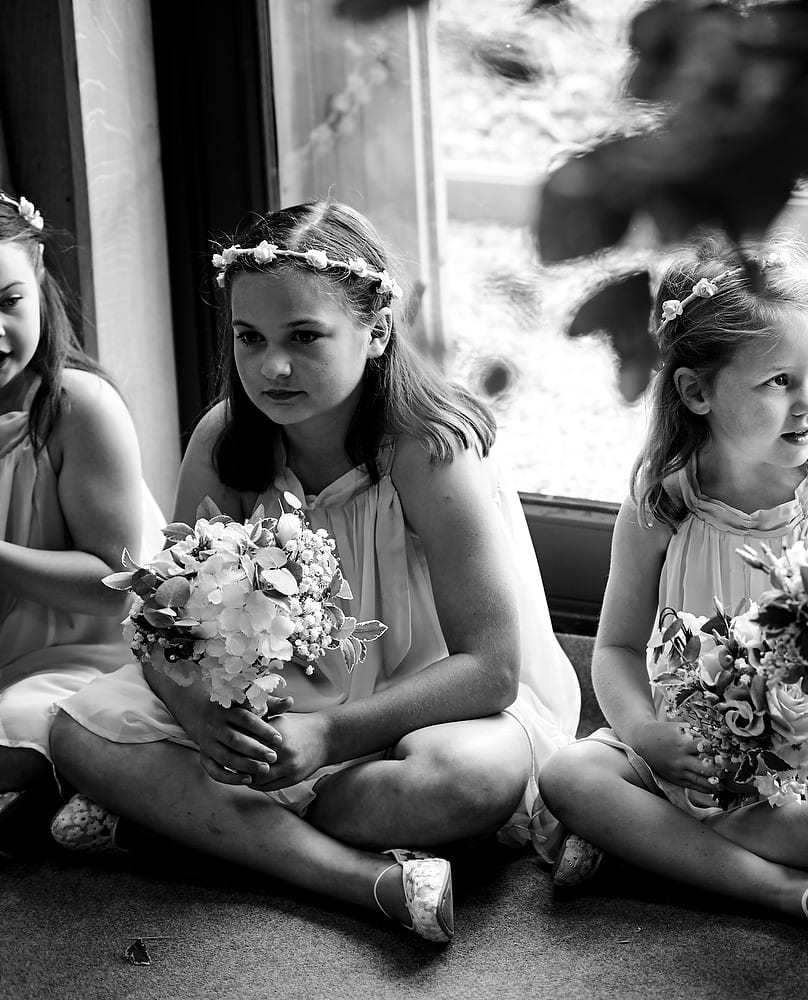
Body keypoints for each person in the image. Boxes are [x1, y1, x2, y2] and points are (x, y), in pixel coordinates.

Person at [48, 200, 581, 943]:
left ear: (377, 330)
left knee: (470, 783)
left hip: (417, 708)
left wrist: (326, 737)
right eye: (249, 337)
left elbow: (490, 669)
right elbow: (165, 624)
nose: (272, 366)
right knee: (75, 733)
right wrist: (203, 722)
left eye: (304, 336)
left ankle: (189, 821)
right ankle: (365, 882)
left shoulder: (428, 450)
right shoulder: (227, 439)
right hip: (275, 710)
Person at [537, 232, 808, 944]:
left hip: (794, 764)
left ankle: (653, 848)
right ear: (697, 392)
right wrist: (648, 737)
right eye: (778, 381)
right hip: (679, 749)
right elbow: (618, 648)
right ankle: (788, 895)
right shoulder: (660, 507)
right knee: (570, 776)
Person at [0, 190, 160, 854]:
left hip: (88, 661)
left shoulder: (75, 409)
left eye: (7, 301)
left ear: (38, 279)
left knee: (17, 728)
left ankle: (104, 785)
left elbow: (115, 580)